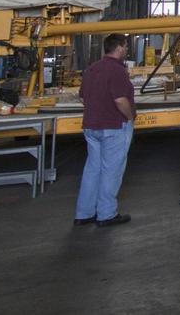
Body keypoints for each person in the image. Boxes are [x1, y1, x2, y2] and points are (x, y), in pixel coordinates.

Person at [74, 33, 136, 227]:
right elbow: (120, 100)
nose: (126, 50)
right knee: (112, 170)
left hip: (91, 126)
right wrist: (130, 116)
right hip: (113, 127)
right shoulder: (117, 71)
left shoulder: (93, 69)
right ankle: (106, 214)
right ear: (119, 47)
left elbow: (83, 96)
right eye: (125, 46)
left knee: (92, 170)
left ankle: (84, 213)